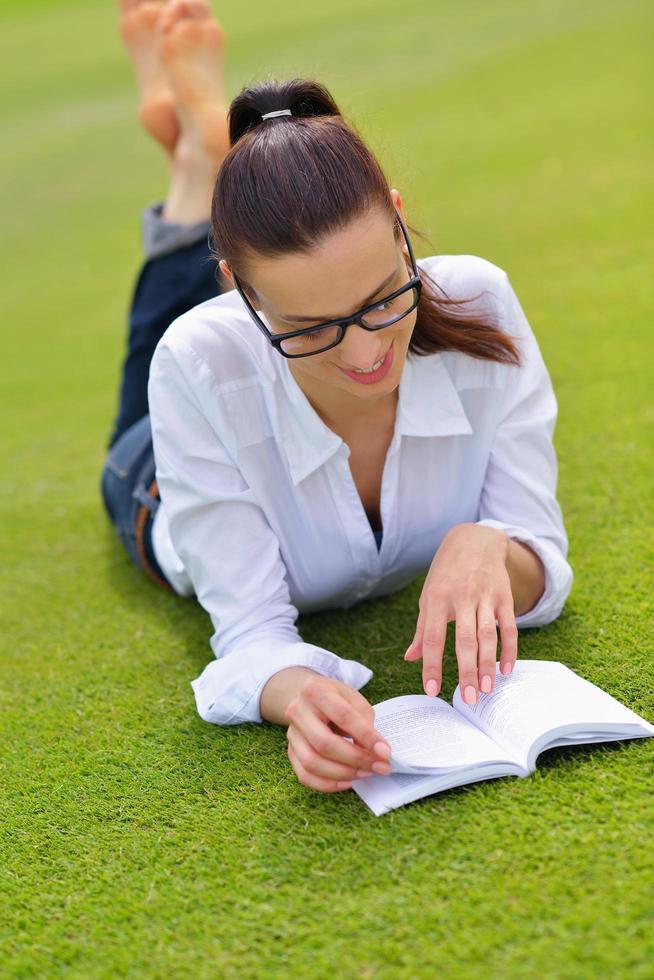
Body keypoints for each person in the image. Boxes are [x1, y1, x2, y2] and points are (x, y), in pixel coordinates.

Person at [101, 0, 573, 794]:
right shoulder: (203, 357)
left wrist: (493, 543)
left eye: (386, 298)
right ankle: (193, 170)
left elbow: (539, 550)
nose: (364, 355)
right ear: (243, 298)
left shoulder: (481, 300)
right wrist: (295, 695)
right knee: (158, 345)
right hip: (153, 475)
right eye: (312, 327)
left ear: (398, 221)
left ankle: (198, 161)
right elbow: (249, 634)